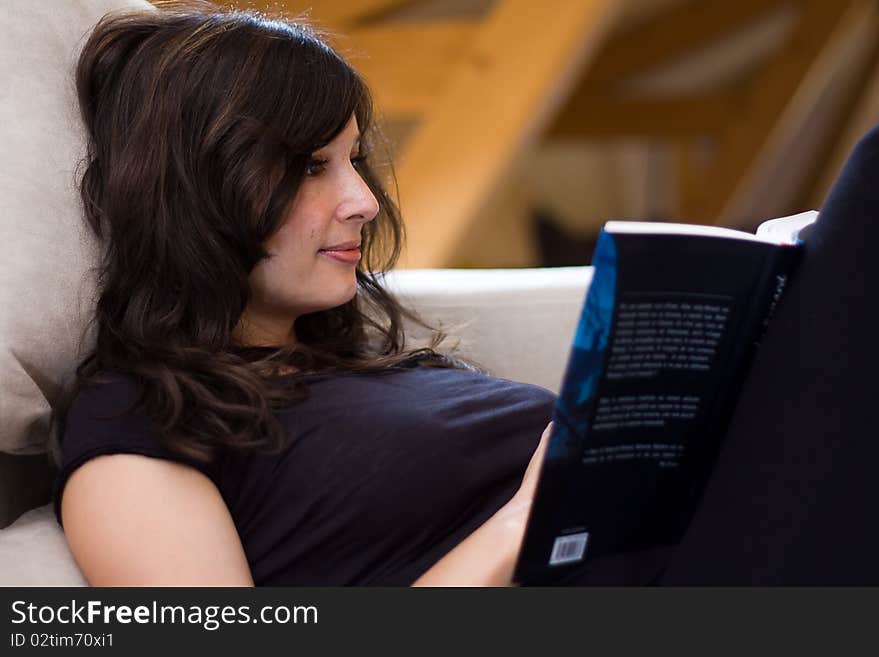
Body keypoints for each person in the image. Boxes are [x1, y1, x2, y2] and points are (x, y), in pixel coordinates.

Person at [53, 3, 555, 586]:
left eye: (354, 160)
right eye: (314, 166)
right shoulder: (142, 418)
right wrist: (526, 522)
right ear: (197, 191)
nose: (365, 202)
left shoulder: (342, 368)